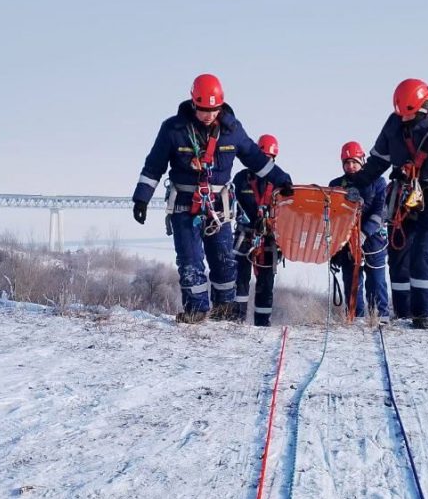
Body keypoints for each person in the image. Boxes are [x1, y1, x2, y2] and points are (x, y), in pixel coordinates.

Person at [132, 74, 293, 324]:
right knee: (190, 259)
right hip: (184, 204)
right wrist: (141, 198)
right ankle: (196, 309)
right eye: (204, 110)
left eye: (214, 109)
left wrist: (281, 179)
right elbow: (154, 165)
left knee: (224, 260)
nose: (209, 115)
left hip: (219, 207)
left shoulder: (232, 130)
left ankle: (224, 308)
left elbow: (255, 158)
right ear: (193, 103)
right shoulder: (173, 129)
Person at [348, 78, 428, 329]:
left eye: (411, 117)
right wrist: (357, 186)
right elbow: (377, 162)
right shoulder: (394, 123)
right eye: (402, 117)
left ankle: (421, 316)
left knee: (424, 250)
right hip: (404, 194)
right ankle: (403, 312)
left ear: (425, 107)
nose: (405, 122)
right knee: (398, 253)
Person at [329, 141, 391, 323]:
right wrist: (335, 247)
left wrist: (364, 232)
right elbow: (332, 216)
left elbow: (380, 212)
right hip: (346, 239)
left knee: (377, 280)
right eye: (347, 163)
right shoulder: (336, 185)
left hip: (373, 240)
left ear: (362, 161)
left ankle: (381, 318)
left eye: (354, 162)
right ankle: (355, 318)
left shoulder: (378, 182)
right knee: (351, 281)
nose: (351, 166)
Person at [232, 134, 283, 327]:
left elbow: (288, 210)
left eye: (268, 159)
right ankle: (236, 319)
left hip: (270, 238)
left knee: (265, 283)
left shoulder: (280, 181)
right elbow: (231, 201)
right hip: (245, 234)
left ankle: (262, 323)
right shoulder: (241, 179)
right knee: (240, 278)